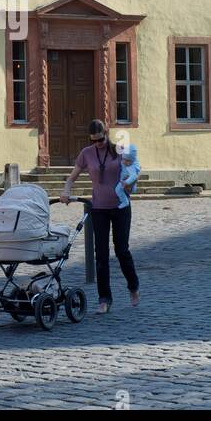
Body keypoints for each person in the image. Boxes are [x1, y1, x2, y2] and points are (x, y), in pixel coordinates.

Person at [61, 120, 139, 314]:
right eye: (94, 141)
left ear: (107, 132)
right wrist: (66, 191)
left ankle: (133, 286)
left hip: (121, 207)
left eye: (101, 139)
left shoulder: (119, 150)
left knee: (122, 250)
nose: (98, 143)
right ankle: (104, 299)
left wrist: (130, 183)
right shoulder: (86, 153)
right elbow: (72, 177)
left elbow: (134, 169)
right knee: (101, 255)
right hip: (99, 208)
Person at [115, 144, 140, 210]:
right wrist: (123, 149)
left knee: (117, 190)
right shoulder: (127, 160)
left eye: (128, 161)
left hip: (124, 181)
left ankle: (125, 201)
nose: (125, 162)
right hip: (124, 180)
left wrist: (126, 182)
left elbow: (134, 176)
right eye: (124, 159)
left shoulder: (131, 167)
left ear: (132, 160)